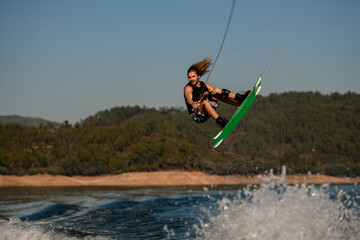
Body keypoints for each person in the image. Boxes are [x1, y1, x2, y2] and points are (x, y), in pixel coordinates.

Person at [184, 56, 250, 128]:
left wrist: (235, 104)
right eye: (189, 77)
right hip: (197, 114)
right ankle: (221, 122)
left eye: (193, 76)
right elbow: (188, 98)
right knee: (205, 102)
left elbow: (220, 97)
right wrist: (193, 103)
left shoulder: (205, 85)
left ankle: (240, 98)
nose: (191, 79)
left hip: (210, 108)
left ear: (198, 76)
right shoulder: (188, 88)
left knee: (216, 91)